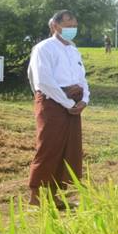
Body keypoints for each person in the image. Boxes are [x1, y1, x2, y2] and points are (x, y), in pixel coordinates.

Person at [27, 10, 89, 209]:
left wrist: (84, 100)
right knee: (48, 147)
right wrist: (67, 103)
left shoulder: (73, 49)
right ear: (55, 26)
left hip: (74, 103)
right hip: (53, 102)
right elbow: (44, 81)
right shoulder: (44, 48)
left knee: (68, 149)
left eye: (74, 26)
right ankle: (36, 196)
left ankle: (54, 196)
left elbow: (82, 78)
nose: (72, 29)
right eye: (68, 25)